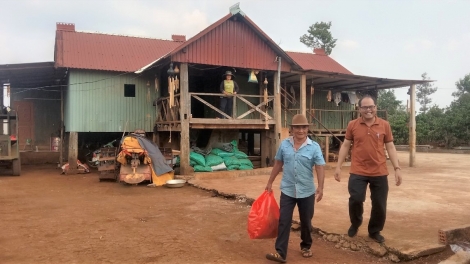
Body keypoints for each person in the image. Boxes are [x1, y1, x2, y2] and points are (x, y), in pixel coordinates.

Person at [333, 95, 402, 243]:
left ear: (376, 107)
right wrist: (338, 166)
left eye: (371, 106)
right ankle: (355, 223)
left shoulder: (384, 125)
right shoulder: (353, 125)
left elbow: (390, 146)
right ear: (359, 109)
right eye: (364, 107)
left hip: (379, 171)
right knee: (356, 199)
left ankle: (374, 230)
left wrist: (397, 168)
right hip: (358, 170)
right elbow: (345, 145)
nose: (368, 110)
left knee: (379, 203)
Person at [265, 114, 325, 263]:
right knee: (284, 220)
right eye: (297, 127)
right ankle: (281, 253)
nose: (300, 130)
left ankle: (306, 245)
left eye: (303, 127)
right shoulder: (284, 145)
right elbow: (278, 164)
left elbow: (319, 167)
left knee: (306, 221)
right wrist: (270, 182)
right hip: (288, 190)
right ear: (292, 129)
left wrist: (321, 187)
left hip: (306, 191)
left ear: (307, 129)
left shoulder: (314, 147)